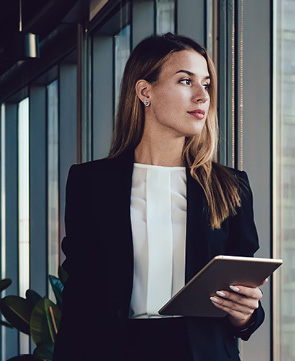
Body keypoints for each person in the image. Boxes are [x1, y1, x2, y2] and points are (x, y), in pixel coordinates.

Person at [53, 33, 264, 361]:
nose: (201, 96)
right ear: (144, 91)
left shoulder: (231, 186)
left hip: (201, 353)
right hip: (116, 351)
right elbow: (80, 294)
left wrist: (245, 314)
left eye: (206, 84)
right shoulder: (90, 183)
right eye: (185, 81)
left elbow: (245, 299)